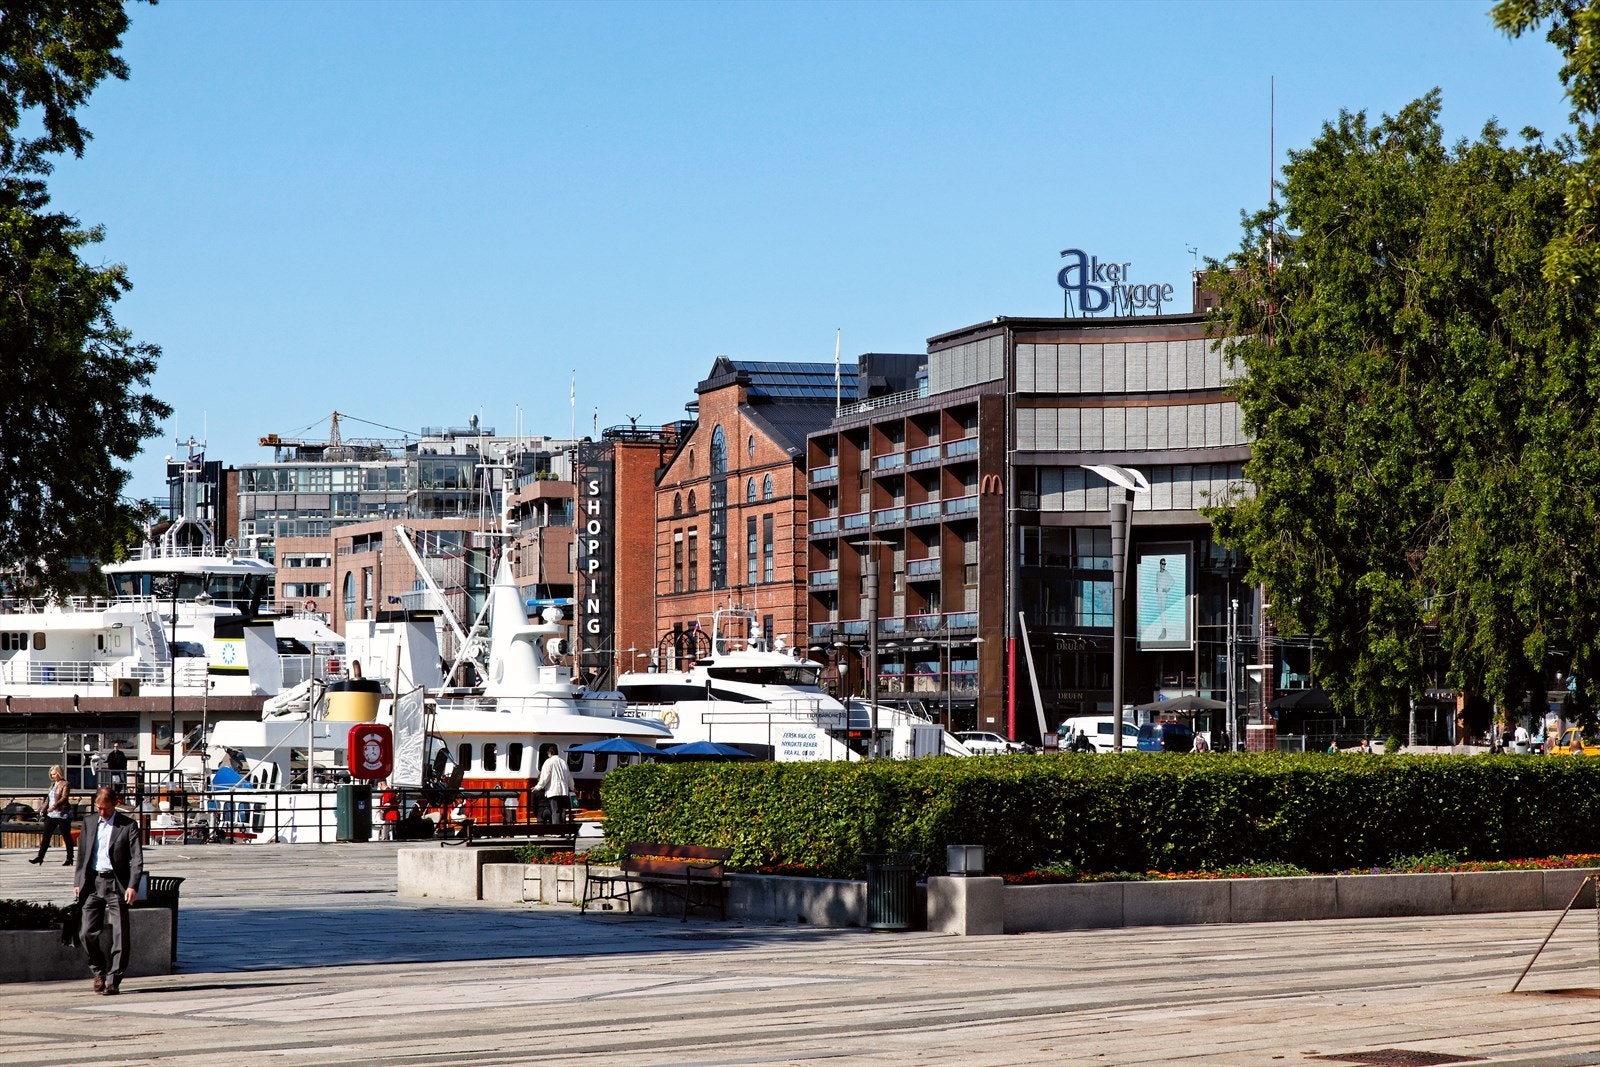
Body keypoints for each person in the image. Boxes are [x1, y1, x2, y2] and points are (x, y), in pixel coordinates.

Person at [74, 786, 143, 996]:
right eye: (98, 807)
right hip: (93, 882)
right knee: (86, 932)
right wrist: (78, 881)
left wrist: (132, 885)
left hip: (116, 884)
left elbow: (137, 859)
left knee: (120, 934)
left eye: (105, 808)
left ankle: (114, 980)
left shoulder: (128, 826)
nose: (101, 812)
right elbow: (82, 854)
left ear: (115, 804)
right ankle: (98, 971)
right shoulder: (89, 822)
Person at [31, 764, 75, 866]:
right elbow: (48, 798)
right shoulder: (53, 785)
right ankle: (40, 857)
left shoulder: (65, 784)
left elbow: (64, 798)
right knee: (46, 836)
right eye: (51, 774)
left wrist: (54, 806)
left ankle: (70, 858)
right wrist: (43, 808)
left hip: (63, 814)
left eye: (54, 774)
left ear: (59, 773)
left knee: (66, 836)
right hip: (51, 815)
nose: (53, 776)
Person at [533, 744, 573, 824]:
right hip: (564, 791)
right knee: (562, 811)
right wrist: (572, 787)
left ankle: (557, 831)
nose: (548, 755)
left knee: (555, 811)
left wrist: (538, 787)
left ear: (550, 752)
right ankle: (562, 831)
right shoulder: (563, 762)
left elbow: (545, 777)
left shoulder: (548, 762)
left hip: (553, 790)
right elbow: (569, 777)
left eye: (548, 753)